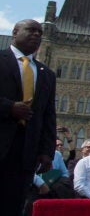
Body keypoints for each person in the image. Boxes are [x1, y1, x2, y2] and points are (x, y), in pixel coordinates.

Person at [0, 19, 56, 216]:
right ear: (15, 32)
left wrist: (46, 151)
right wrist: (9, 107)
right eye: (31, 30)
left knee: (13, 205)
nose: (36, 35)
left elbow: (48, 115)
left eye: (40, 33)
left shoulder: (47, 74)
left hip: (25, 152)